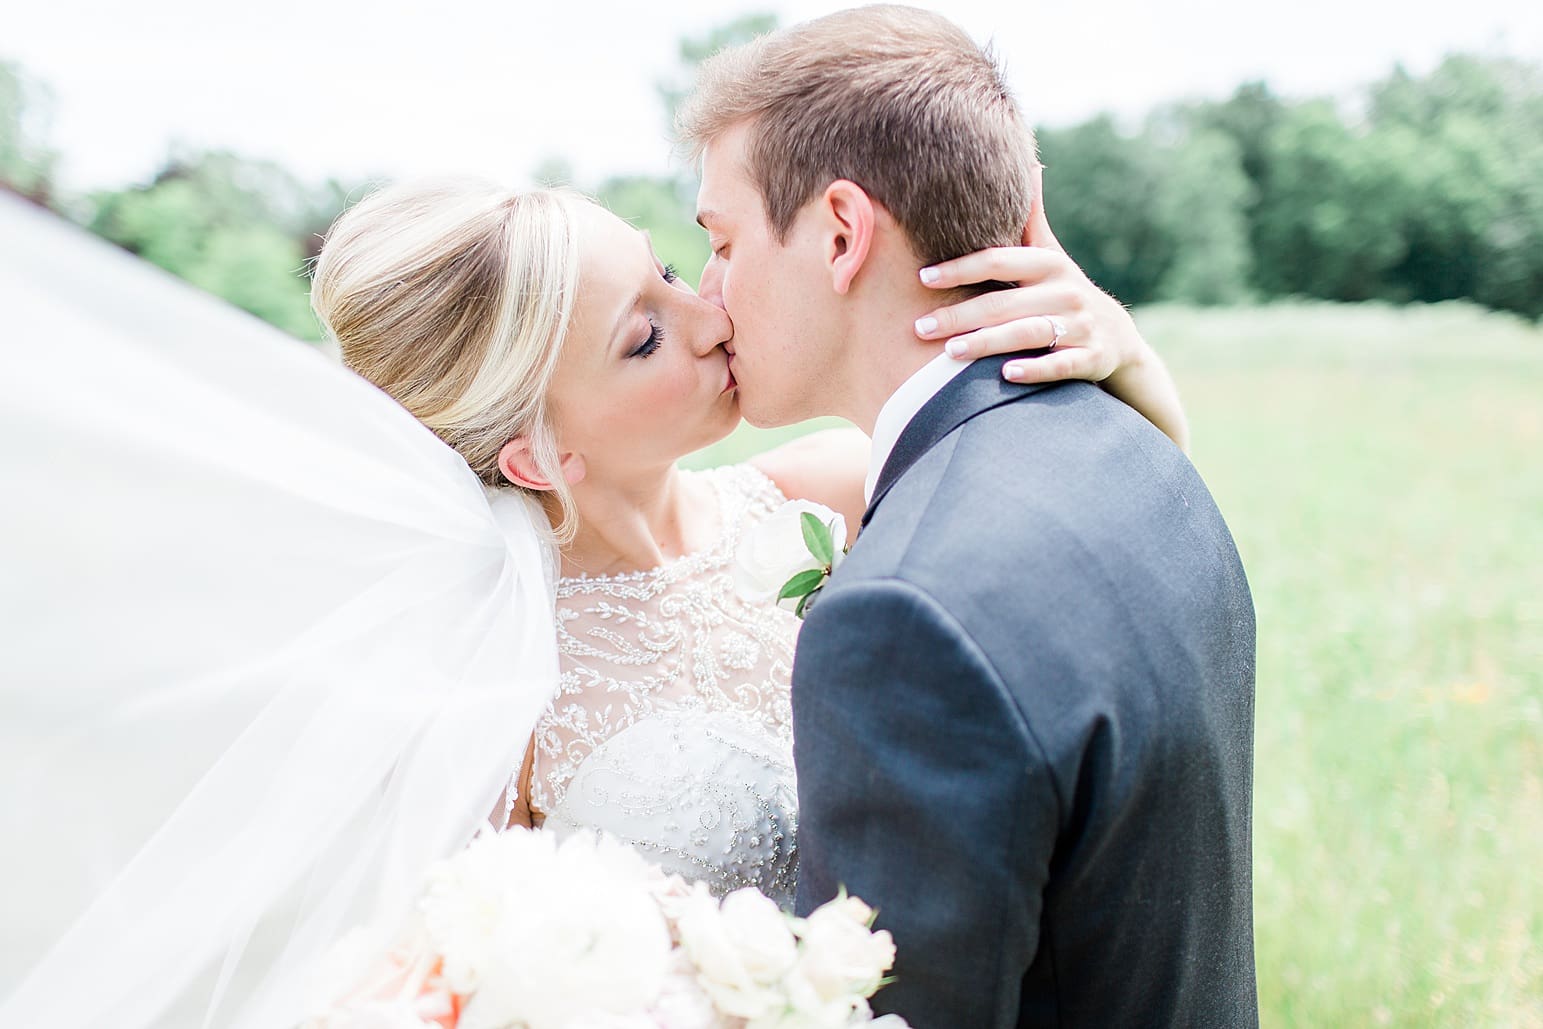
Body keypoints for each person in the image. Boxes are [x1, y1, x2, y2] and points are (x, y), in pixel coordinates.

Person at [308, 174, 1188, 911]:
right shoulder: (502, 687)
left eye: (668, 272)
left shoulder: (836, 489)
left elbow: (1108, 553)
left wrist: (1128, 353)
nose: (710, 318)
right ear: (539, 455)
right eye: (644, 337)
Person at [678, 6, 1257, 1027]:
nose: (711, 299)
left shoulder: (904, 615)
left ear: (842, 234)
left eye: (719, 244)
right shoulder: (1139, 451)